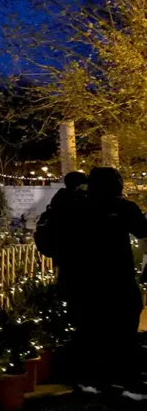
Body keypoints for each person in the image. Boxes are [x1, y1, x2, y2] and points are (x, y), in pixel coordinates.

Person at [37, 167, 147, 399]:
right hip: (117, 279)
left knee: (88, 330)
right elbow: (142, 229)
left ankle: (89, 380)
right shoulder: (122, 207)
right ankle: (128, 382)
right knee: (125, 330)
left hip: (81, 280)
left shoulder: (74, 206)